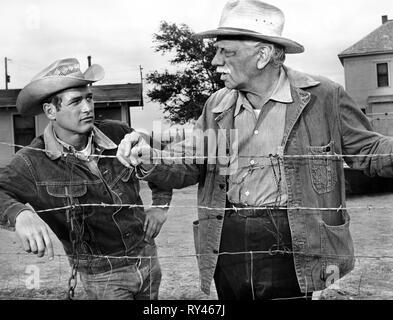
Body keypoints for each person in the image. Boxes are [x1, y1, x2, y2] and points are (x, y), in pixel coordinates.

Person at [116, 0, 393, 300]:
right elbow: (188, 161)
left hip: (294, 242)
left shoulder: (323, 98)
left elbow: (371, 150)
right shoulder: (217, 106)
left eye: (227, 52)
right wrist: (149, 155)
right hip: (227, 239)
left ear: (262, 55)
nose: (214, 61)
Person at [0, 58, 170, 300]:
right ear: (50, 111)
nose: (88, 107)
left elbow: (159, 162)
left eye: (89, 97)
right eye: (76, 101)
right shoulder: (32, 161)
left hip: (148, 260)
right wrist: (20, 214)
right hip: (100, 278)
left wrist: (161, 206)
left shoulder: (118, 133)